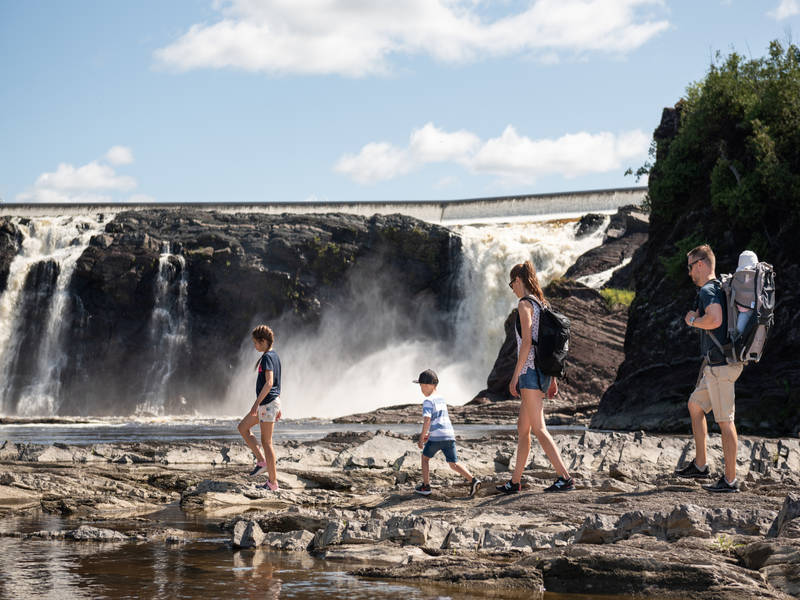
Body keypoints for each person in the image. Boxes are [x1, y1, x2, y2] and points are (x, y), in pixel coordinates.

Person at [497, 260, 574, 494]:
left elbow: (528, 342)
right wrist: (552, 379)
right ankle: (515, 482)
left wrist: (515, 376)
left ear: (518, 281)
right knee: (523, 428)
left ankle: (565, 477)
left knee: (539, 428)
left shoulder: (524, 305)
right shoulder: (542, 304)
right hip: (541, 372)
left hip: (529, 372)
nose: (512, 289)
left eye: (512, 284)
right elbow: (549, 345)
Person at [676, 245, 744, 492]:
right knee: (695, 405)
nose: (690, 272)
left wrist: (693, 320)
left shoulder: (708, 290)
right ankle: (702, 465)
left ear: (701, 264)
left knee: (725, 421)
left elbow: (714, 319)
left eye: (691, 266)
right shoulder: (719, 288)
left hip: (721, 366)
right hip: (718, 364)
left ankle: (730, 480)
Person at [413, 369, 481, 498]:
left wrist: (422, 437)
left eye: (421, 385)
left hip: (437, 437)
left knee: (425, 458)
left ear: (428, 385)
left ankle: (426, 486)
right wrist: (431, 433)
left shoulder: (428, 401)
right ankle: (473, 480)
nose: (421, 389)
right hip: (449, 435)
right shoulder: (441, 398)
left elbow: (427, 419)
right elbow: (440, 419)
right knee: (453, 463)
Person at [237, 324, 282, 491]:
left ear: (263, 341)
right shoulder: (274, 355)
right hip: (271, 403)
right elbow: (277, 383)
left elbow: (270, 383)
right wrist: (278, 404)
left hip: (266, 404)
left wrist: (256, 404)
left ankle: (273, 483)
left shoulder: (267, 358)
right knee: (243, 427)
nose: (254, 346)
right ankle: (261, 462)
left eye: (256, 343)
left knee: (267, 442)